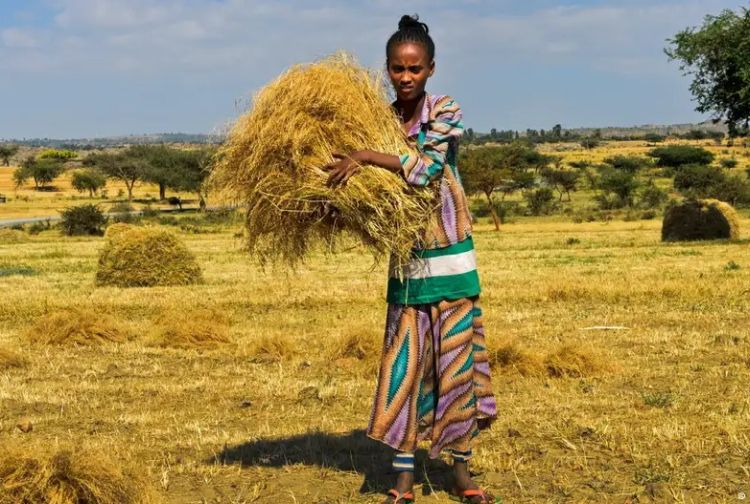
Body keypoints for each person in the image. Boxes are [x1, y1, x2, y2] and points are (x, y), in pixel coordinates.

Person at [325, 14, 499, 504]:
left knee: (457, 369)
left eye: (415, 69)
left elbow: (424, 171)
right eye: (397, 69)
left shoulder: (445, 110)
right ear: (386, 70)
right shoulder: (378, 120)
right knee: (405, 368)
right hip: (407, 262)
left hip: (450, 259)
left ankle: (461, 476)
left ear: (431, 69)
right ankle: (402, 482)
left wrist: (367, 155)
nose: (405, 78)